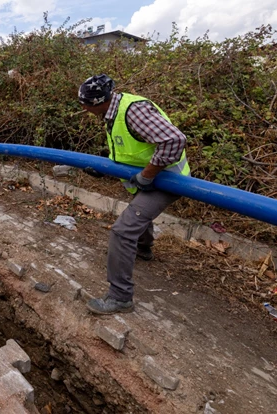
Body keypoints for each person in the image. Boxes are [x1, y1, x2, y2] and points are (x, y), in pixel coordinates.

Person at [78, 74, 190, 315]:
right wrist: (104, 169)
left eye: (85, 104)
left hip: (168, 179)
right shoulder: (113, 112)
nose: (84, 108)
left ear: (99, 102)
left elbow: (174, 140)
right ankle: (143, 249)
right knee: (139, 213)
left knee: (122, 231)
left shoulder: (132, 111)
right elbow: (128, 149)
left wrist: (148, 176)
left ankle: (120, 297)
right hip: (150, 178)